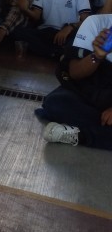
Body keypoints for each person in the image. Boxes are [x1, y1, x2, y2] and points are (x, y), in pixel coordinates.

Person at [37, 14, 112, 150]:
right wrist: (97, 56)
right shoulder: (97, 23)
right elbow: (75, 73)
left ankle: (80, 135)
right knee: (56, 102)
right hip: (93, 93)